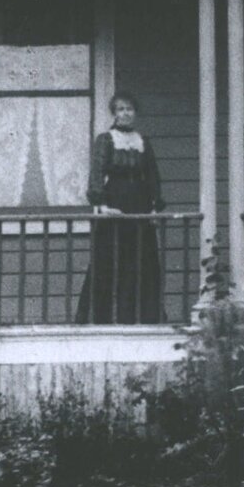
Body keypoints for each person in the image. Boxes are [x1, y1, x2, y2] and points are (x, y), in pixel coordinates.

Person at [76, 91, 166, 324]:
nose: (125, 114)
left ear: (135, 113)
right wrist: (101, 204)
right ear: (114, 113)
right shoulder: (105, 140)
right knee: (107, 261)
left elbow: (153, 177)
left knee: (141, 263)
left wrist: (155, 207)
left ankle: (143, 319)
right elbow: (96, 173)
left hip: (140, 206)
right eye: (121, 109)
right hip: (115, 206)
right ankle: (100, 320)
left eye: (129, 109)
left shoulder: (143, 142)